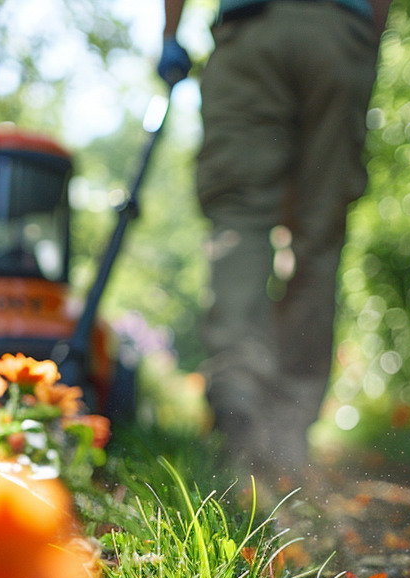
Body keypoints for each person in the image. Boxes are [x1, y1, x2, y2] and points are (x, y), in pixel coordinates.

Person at [158, 0, 391, 490]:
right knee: (318, 235)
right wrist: (366, 46)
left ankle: (239, 390)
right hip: (338, 31)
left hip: (252, 31)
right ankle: (288, 425)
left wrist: (170, 34)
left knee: (240, 215)